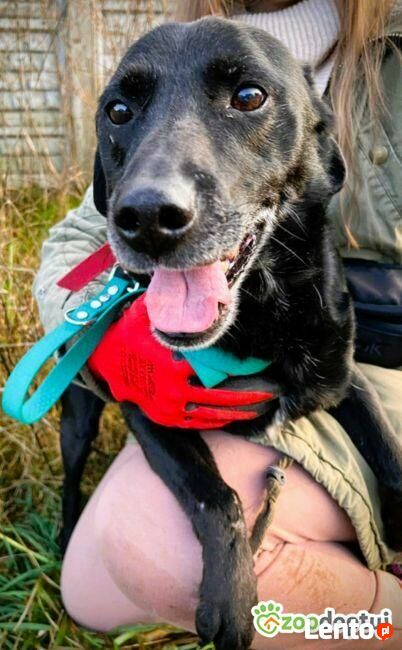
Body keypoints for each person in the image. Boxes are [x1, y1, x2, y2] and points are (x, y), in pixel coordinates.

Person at [33, 0, 402, 647]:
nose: (152, 200)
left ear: (322, 148)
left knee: (158, 546)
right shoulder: (170, 52)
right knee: (88, 595)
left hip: (381, 359)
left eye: (249, 98)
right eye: (122, 112)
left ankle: (384, 618)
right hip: (247, 353)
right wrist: (98, 337)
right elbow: (79, 240)